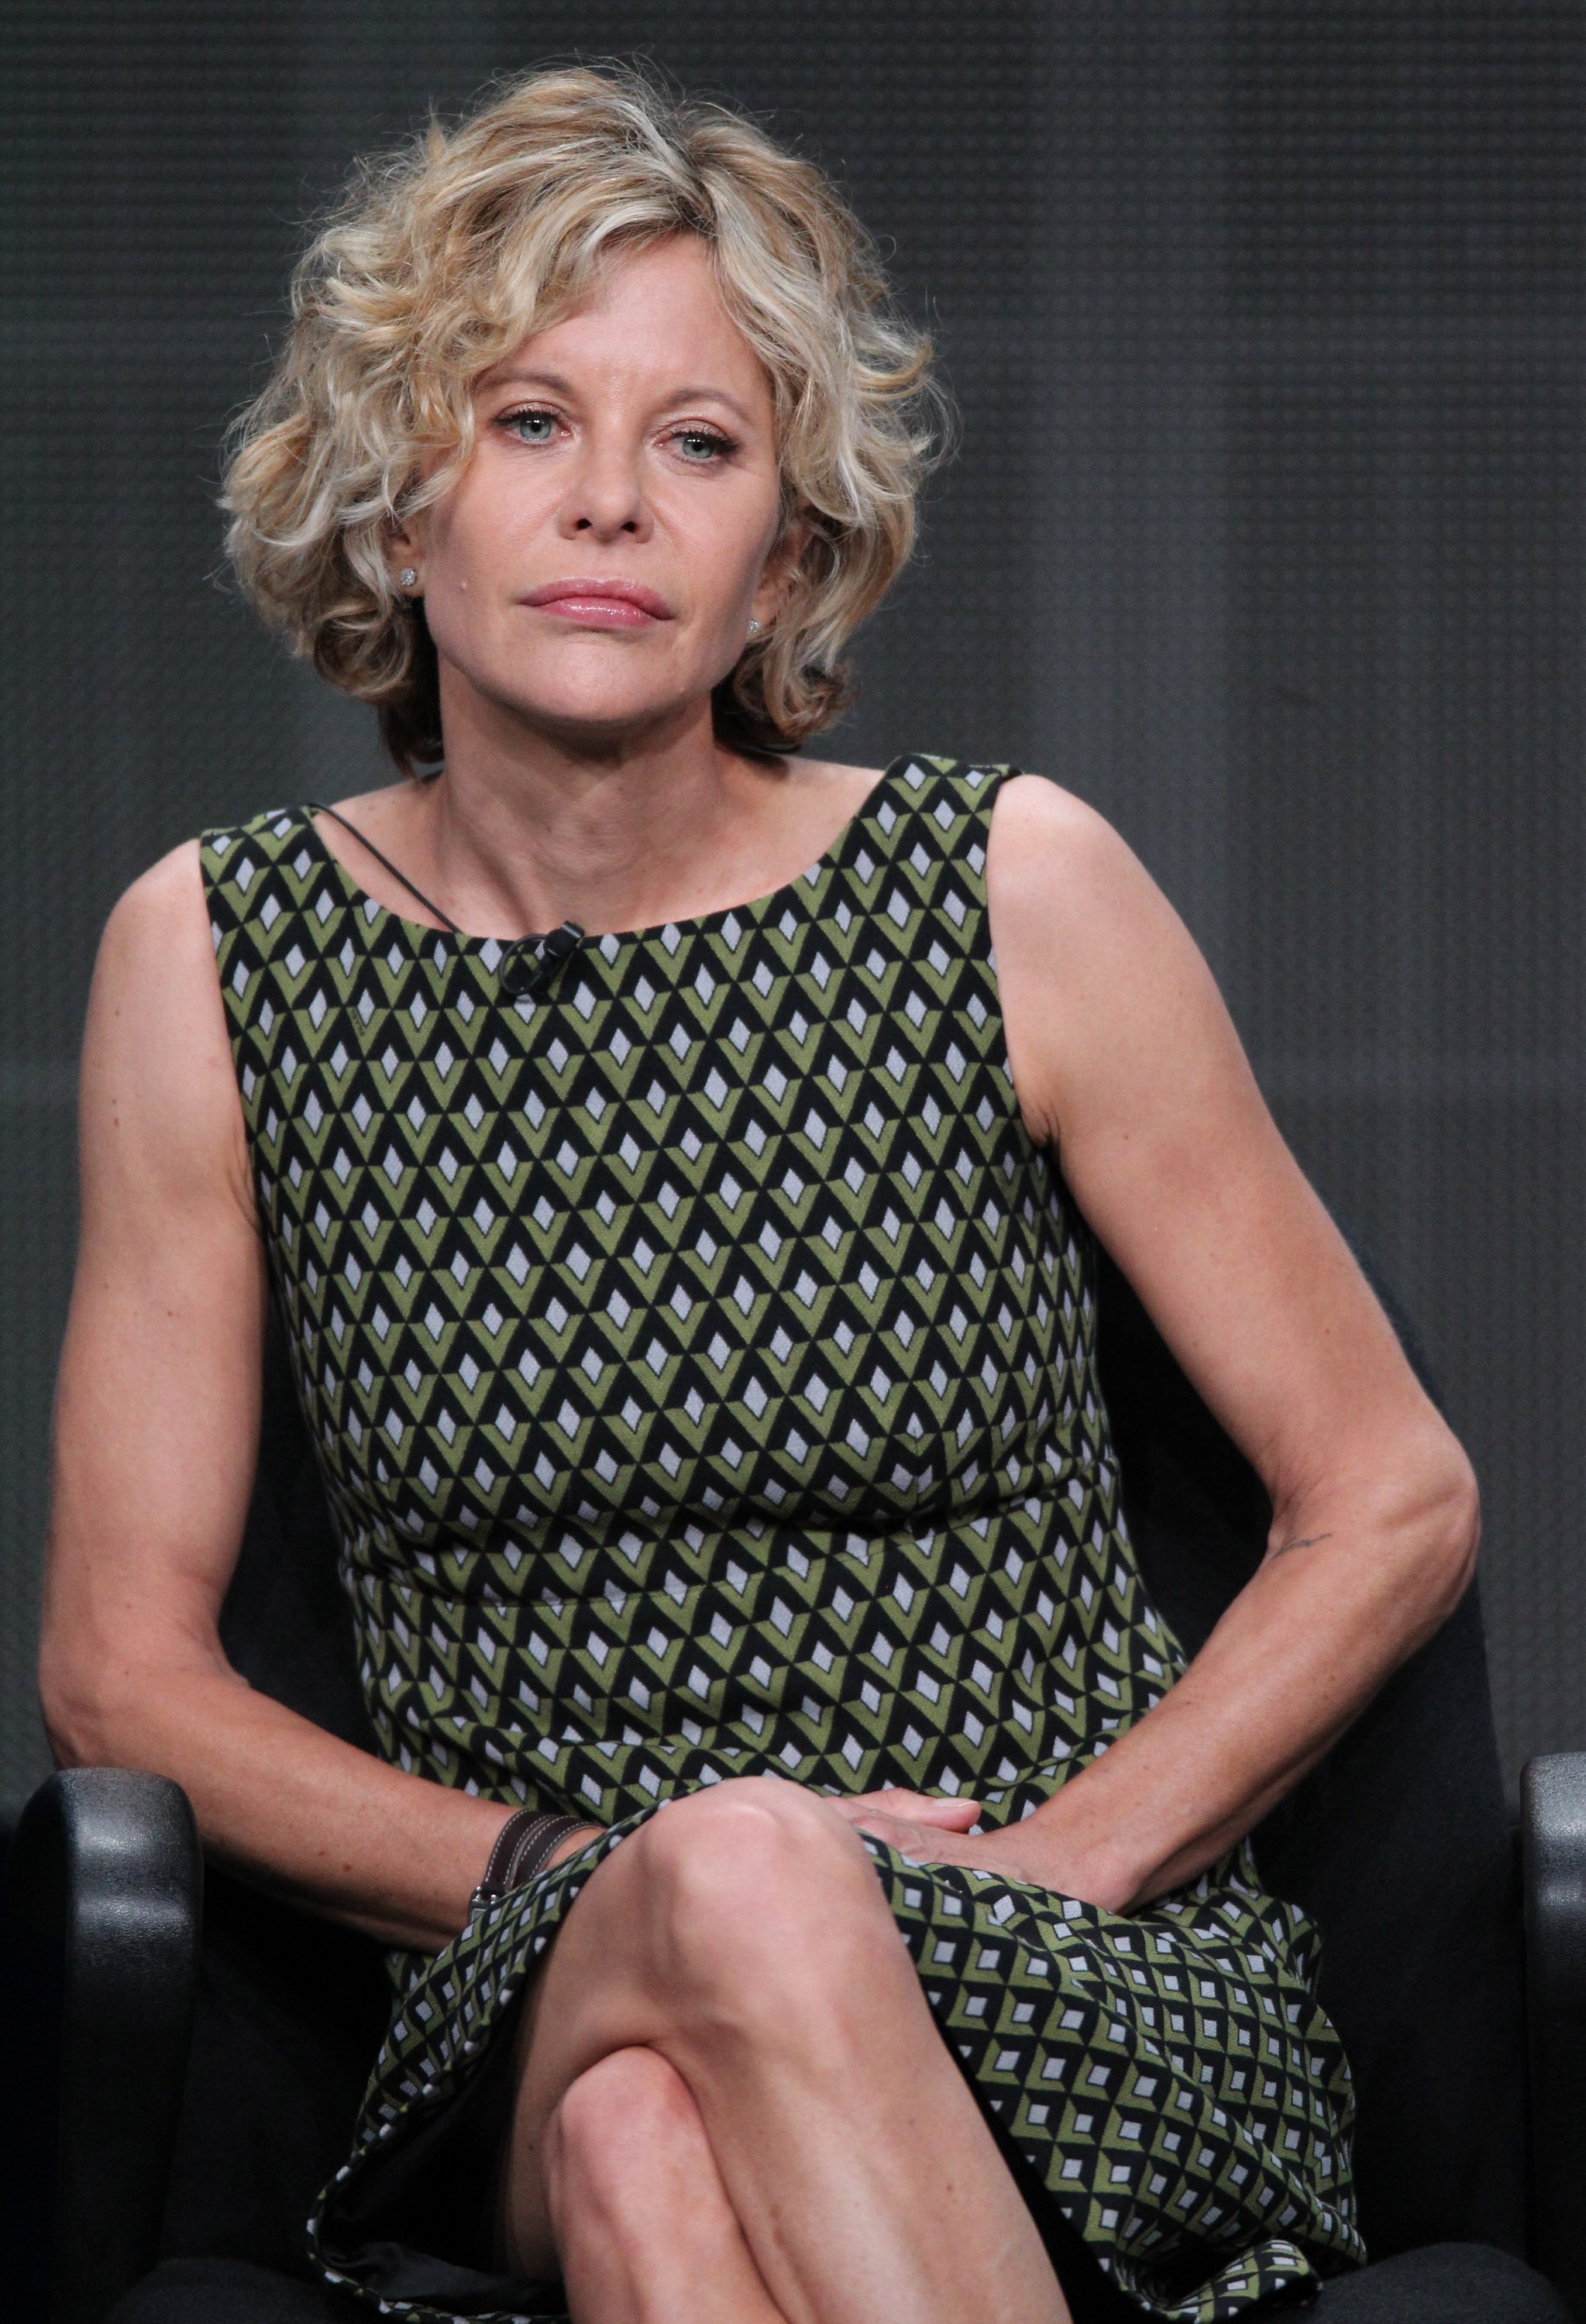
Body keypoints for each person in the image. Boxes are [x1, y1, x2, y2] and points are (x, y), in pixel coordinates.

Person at [39, 60, 1479, 2324]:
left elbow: (1390, 1496)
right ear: (395, 506)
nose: (608, 501)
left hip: (1071, 1958)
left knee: (653, 2170)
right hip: (541, 1960)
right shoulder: (212, 956)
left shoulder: (1010, 886)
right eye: (526, 423)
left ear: (787, 554)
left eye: (697, 445)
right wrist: (601, 1869)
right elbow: (120, 1673)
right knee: (674, 1974)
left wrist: (1050, 1870)